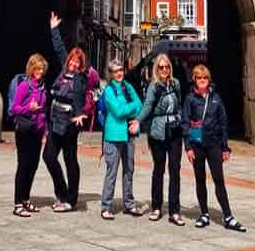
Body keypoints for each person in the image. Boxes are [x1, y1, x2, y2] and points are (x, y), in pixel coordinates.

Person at [182, 64, 246, 232]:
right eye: (199, 78)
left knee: (219, 179)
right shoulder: (190, 99)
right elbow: (185, 123)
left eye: (205, 78)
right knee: (200, 179)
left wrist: (225, 147)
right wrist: (187, 147)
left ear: (208, 80)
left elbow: (223, 122)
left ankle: (228, 215)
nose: (202, 81)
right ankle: (204, 213)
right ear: (194, 80)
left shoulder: (216, 98)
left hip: (214, 144)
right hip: (197, 145)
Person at [131, 53, 184, 225]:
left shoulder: (176, 84)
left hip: (174, 130)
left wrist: (181, 119)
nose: (164, 70)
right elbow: (147, 106)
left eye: (166, 66)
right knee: (159, 170)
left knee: (175, 169)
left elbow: (180, 103)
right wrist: (138, 121)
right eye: (161, 67)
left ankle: (175, 211)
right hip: (158, 132)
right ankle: (156, 207)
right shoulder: (153, 87)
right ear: (156, 69)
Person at [43, 12, 88, 212]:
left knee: (70, 160)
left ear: (81, 64)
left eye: (77, 62)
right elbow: (59, 48)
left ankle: (71, 199)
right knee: (49, 157)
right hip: (55, 119)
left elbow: (78, 97)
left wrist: (78, 114)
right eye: (72, 61)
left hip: (70, 123)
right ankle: (62, 192)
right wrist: (53, 28)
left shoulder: (79, 78)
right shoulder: (63, 70)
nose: (73, 64)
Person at [99, 58, 144, 220]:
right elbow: (118, 111)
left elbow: (141, 105)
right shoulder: (109, 90)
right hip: (114, 136)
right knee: (112, 172)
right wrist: (132, 109)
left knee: (129, 170)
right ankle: (106, 206)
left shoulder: (128, 86)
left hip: (129, 135)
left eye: (120, 70)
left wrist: (131, 109)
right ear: (110, 74)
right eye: (115, 71)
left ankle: (129, 203)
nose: (119, 74)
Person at [10, 54, 48, 218]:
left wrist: (45, 131)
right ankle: (18, 203)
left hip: (37, 131)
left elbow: (44, 111)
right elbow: (15, 108)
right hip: (24, 131)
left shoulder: (42, 87)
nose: (39, 71)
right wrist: (29, 109)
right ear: (31, 69)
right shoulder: (25, 86)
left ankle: (26, 199)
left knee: (32, 166)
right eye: (37, 68)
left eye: (42, 69)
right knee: (23, 166)